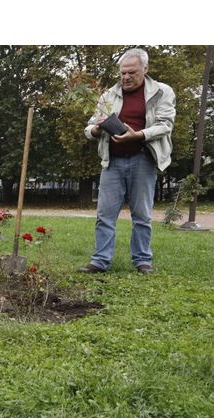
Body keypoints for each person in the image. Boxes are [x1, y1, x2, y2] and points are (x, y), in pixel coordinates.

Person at [78, 48, 175, 275]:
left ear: (145, 69)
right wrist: (96, 127)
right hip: (112, 162)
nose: (126, 77)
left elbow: (165, 125)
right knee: (104, 215)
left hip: (143, 159)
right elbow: (89, 128)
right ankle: (100, 261)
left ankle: (142, 261)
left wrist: (138, 135)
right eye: (122, 73)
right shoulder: (108, 96)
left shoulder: (162, 92)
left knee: (142, 214)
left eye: (132, 72)